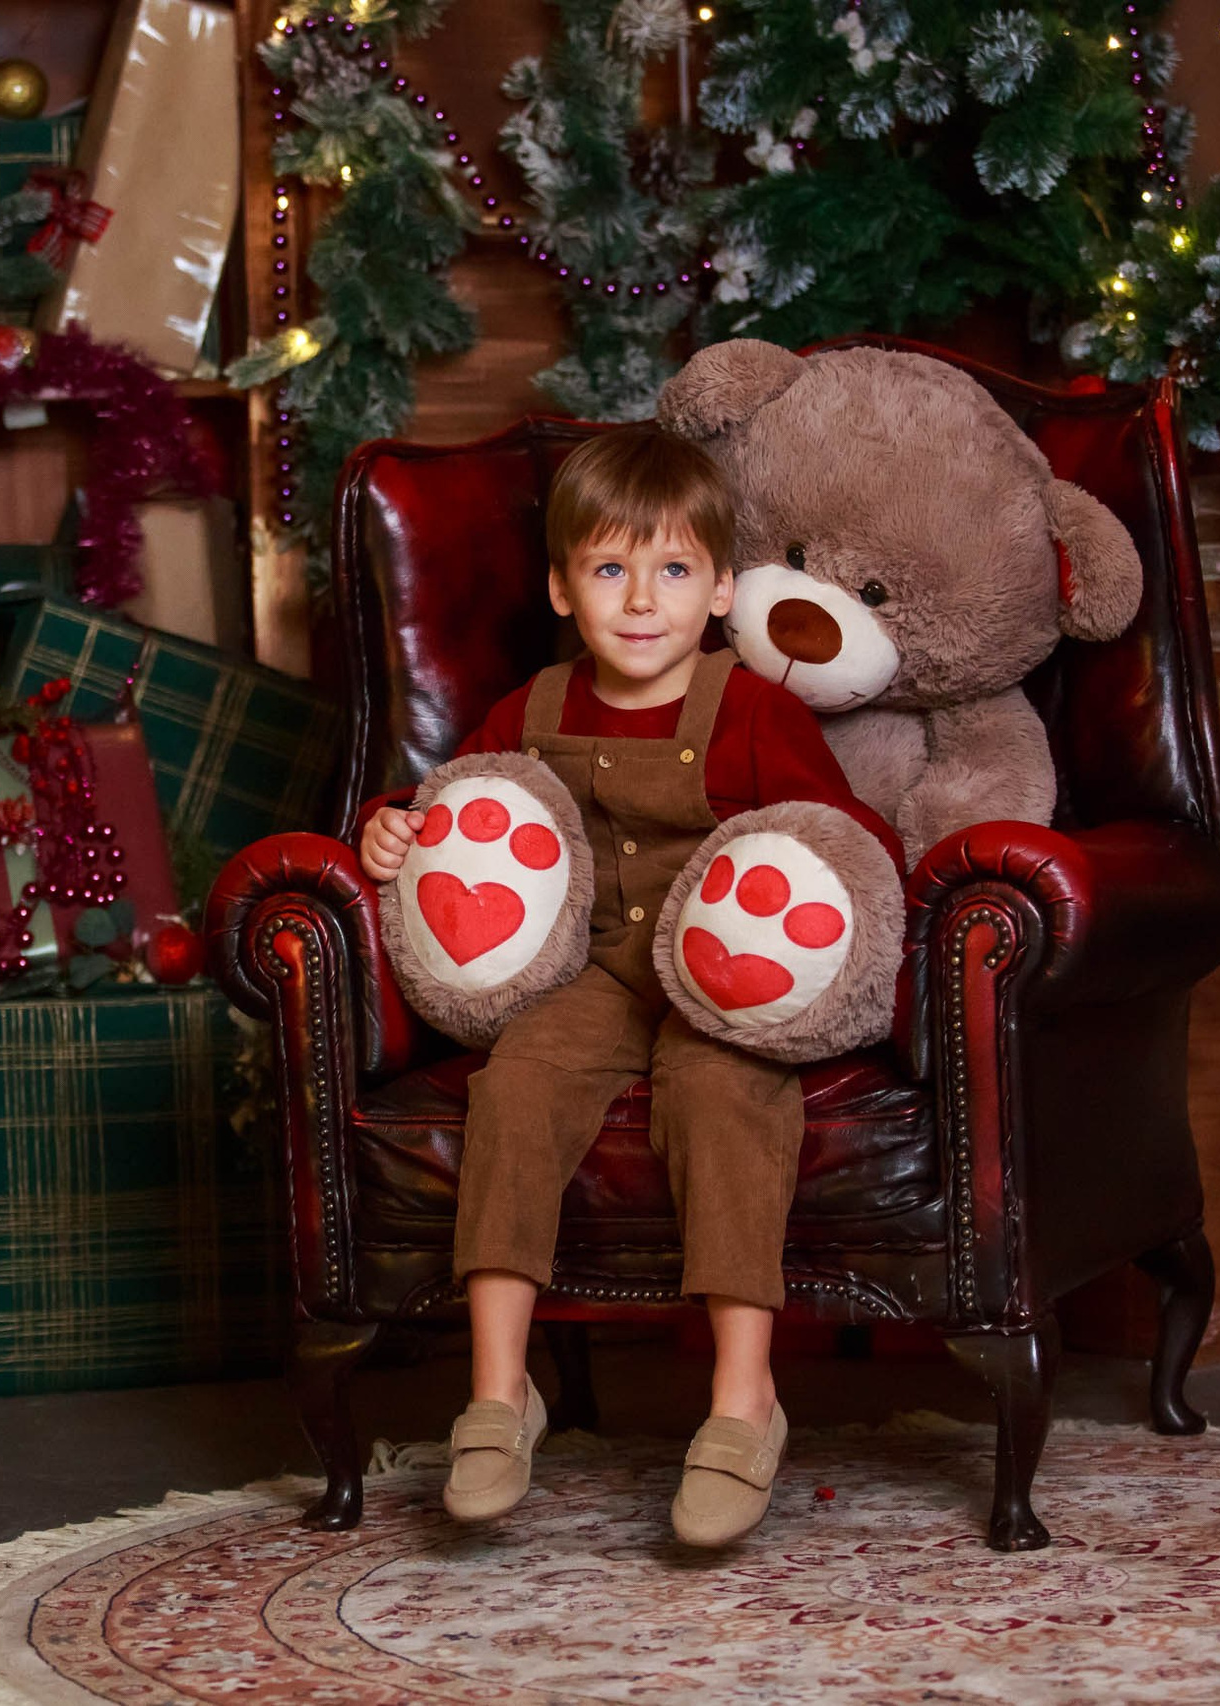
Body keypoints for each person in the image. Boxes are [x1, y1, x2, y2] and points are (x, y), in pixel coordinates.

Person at [358, 422, 903, 1548]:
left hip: (719, 985)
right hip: (597, 970)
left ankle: (743, 1396)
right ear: (563, 589)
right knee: (517, 1080)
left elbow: (843, 848)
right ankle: (499, 1390)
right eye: (610, 569)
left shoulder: (753, 711)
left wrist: (790, 922)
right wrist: (392, 827)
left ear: (721, 591)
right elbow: (455, 802)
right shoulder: (534, 707)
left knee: (722, 1094)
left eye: (674, 570)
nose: (642, 600)